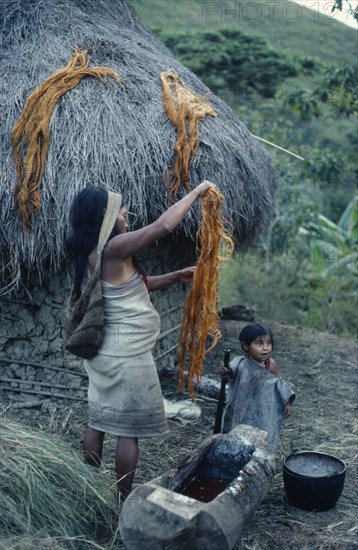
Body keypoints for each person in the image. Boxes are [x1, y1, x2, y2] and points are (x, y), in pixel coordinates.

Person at [67, 180, 216, 502]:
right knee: (127, 431)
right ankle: (122, 500)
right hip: (127, 356)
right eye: (122, 211)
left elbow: (131, 289)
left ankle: (89, 488)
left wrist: (175, 276)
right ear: (105, 218)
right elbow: (163, 225)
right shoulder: (114, 248)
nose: (127, 215)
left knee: (98, 419)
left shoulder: (92, 254)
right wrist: (198, 191)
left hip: (103, 355)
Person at [220, 323, 295, 450]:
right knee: (237, 431)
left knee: (264, 430)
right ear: (246, 346)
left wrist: (286, 402)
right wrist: (224, 370)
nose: (265, 348)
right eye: (259, 343)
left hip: (263, 406)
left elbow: (279, 384)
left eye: (268, 343)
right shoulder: (239, 363)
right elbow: (228, 375)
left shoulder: (271, 365)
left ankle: (260, 454)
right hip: (242, 406)